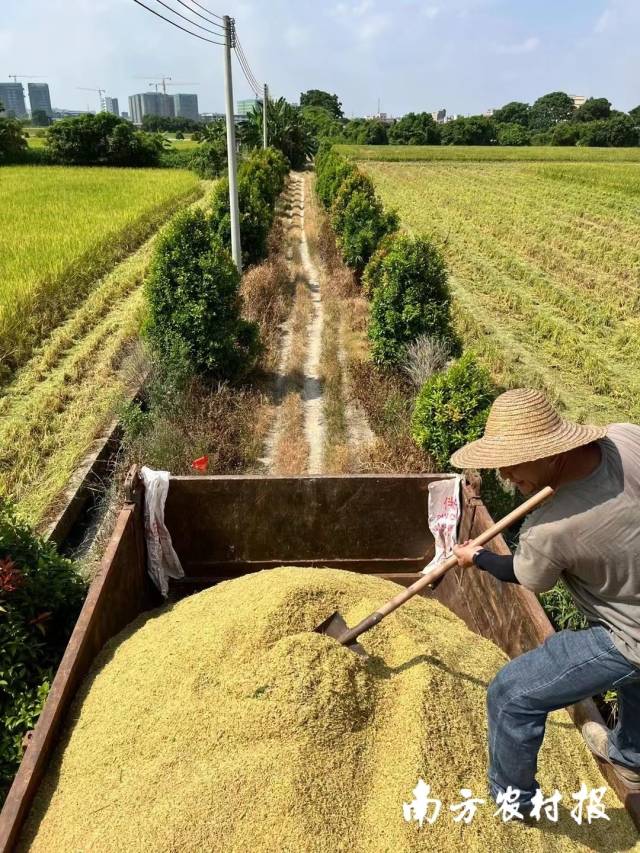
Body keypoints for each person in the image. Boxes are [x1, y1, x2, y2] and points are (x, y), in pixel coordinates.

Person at [450, 388, 640, 810]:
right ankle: (631, 759)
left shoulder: (548, 529)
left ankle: (512, 803)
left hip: (633, 637)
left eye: (514, 462)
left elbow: (523, 574)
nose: (504, 475)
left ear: (552, 453)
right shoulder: (626, 438)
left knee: (511, 694)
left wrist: (477, 556)